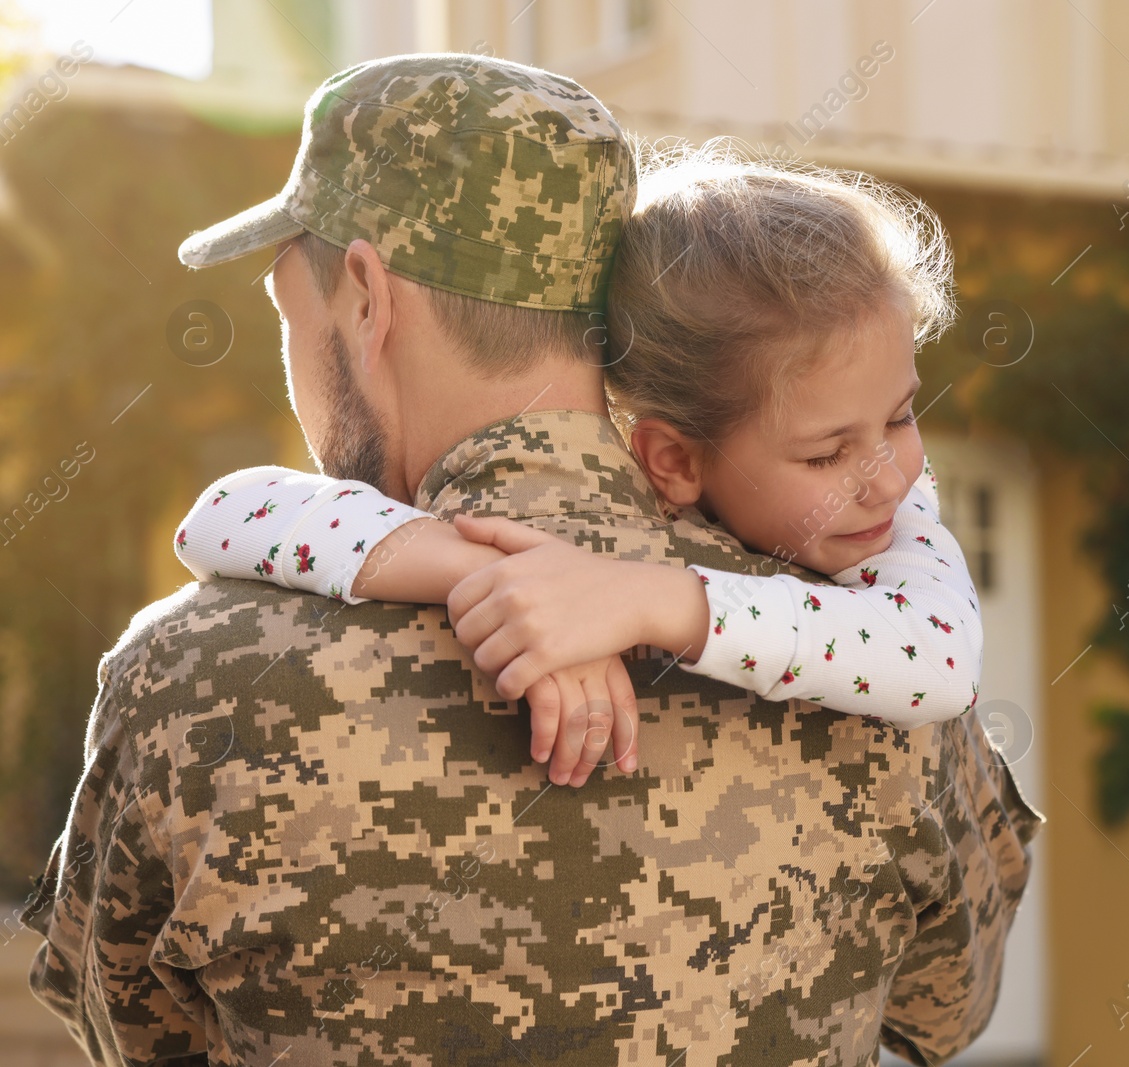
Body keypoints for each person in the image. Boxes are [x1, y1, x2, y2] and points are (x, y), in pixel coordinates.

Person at [23, 54, 1042, 1066]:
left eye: (291, 314)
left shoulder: (190, 673)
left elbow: (133, 1032)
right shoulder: (863, 654)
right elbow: (943, 1010)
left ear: (367, 299)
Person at [169, 148, 985, 790]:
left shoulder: (899, 523)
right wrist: (490, 574)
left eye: (903, 414)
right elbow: (223, 515)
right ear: (671, 461)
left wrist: (647, 600)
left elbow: (938, 664)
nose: (891, 475)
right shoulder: (580, 538)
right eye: (826, 454)